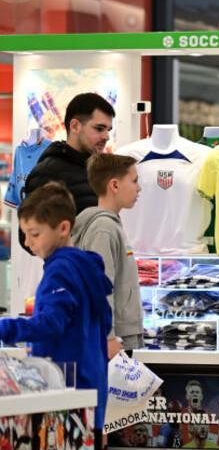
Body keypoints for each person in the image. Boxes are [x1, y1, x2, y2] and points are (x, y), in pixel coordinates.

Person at [0, 183, 112, 450]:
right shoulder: (85, 266)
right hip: (92, 384)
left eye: (34, 234)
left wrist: (6, 329)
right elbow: (104, 321)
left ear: (63, 228)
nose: (28, 242)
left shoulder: (60, 269)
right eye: (25, 234)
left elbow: (52, 323)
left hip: (65, 388)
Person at [19, 93, 115, 249]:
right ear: (75, 126)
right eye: (99, 128)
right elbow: (28, 237)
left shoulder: (102, 171)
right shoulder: (47, 173)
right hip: (71, 270)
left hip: (102, 269)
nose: (106, 136)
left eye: (109, 130)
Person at [72, 153, 143, 360]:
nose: (138, 188)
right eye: (134, 180)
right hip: (110, 342)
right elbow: (99, 287)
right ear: (114, 185)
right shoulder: (103, 228)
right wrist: (108, 336)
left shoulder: (110, 225)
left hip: (116, 338)